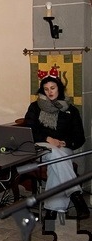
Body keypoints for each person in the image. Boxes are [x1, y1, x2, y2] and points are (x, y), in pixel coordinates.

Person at [24, 73, 88, 220]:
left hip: (63, 147)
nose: (50, 92)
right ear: (42, 91)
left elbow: (79, 137)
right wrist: (48, 139)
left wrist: (64, 142)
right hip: (40, 145)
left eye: (53, 88)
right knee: (56, 154)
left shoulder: (71, 110)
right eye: (46, 89)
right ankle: (75, 194)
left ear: (59, 88)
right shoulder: (35, 107)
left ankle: (52, 212)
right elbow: (29, 129)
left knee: (56, 161)